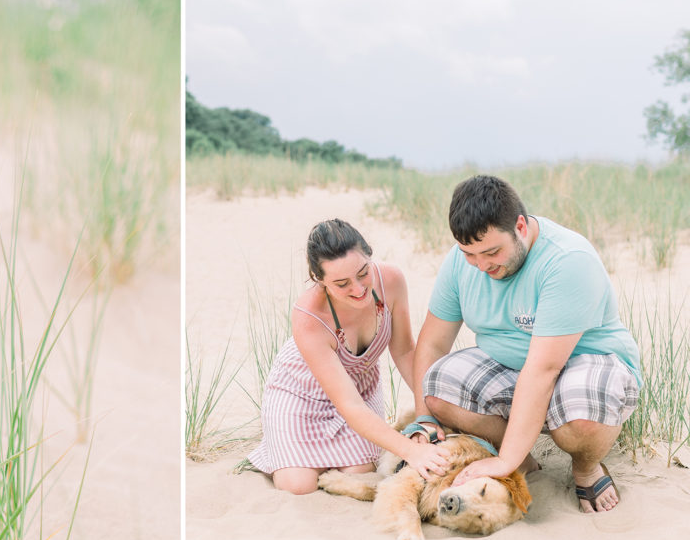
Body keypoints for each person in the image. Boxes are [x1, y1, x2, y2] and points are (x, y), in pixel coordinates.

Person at [412, 175, 641, 512]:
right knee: (436, 388)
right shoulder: (463, 260)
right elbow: (431, 343)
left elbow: (543, 369)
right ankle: (525, 458)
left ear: (520, 226)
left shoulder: (567, 260)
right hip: (514, 365)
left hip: (585, 359)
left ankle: (586, 467)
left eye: (492, 252)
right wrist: (424, 419)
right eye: (470, 254)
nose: (482, 265)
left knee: (580, 422)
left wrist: (503, 461)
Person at [248, 219, 450, 494]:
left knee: (360, 472)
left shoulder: (391, 281)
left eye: (363, 273)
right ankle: (279, 442)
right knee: (299, 486)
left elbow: (403, 351)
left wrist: (431, 411)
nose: (358, 289)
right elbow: (349, 405)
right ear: (319, 280)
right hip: (301, 394)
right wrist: (412, 452)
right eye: (342, 283)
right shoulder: (308, 317)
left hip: (360, 388)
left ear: (369, 255)